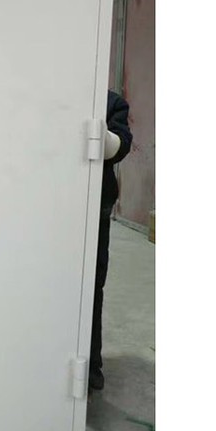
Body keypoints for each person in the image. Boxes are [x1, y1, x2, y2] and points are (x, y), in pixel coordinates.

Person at [90, 89, 133, 391]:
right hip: (53, 208)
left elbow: (120, 146)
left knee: (92, 286)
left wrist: (97, 134)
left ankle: (91, 366)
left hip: (96, 208)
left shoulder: (111, 102)